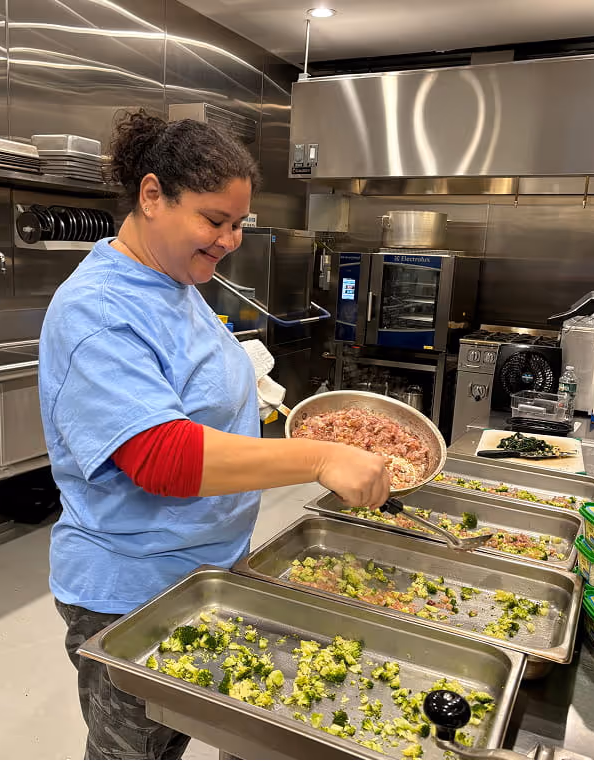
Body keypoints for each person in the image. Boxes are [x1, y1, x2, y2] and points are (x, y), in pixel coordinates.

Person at [38, 109, 391, 760]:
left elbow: (183, 385)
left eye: (238, 224)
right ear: (151, 196)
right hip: (132, 591)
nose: (229, 239)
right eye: (214, 220)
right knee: (137, 749)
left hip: (208, 568)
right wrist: (317, 456)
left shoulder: (175, 279)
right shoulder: (97, 307)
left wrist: (243, 388)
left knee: (218, 724)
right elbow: (158, 455)